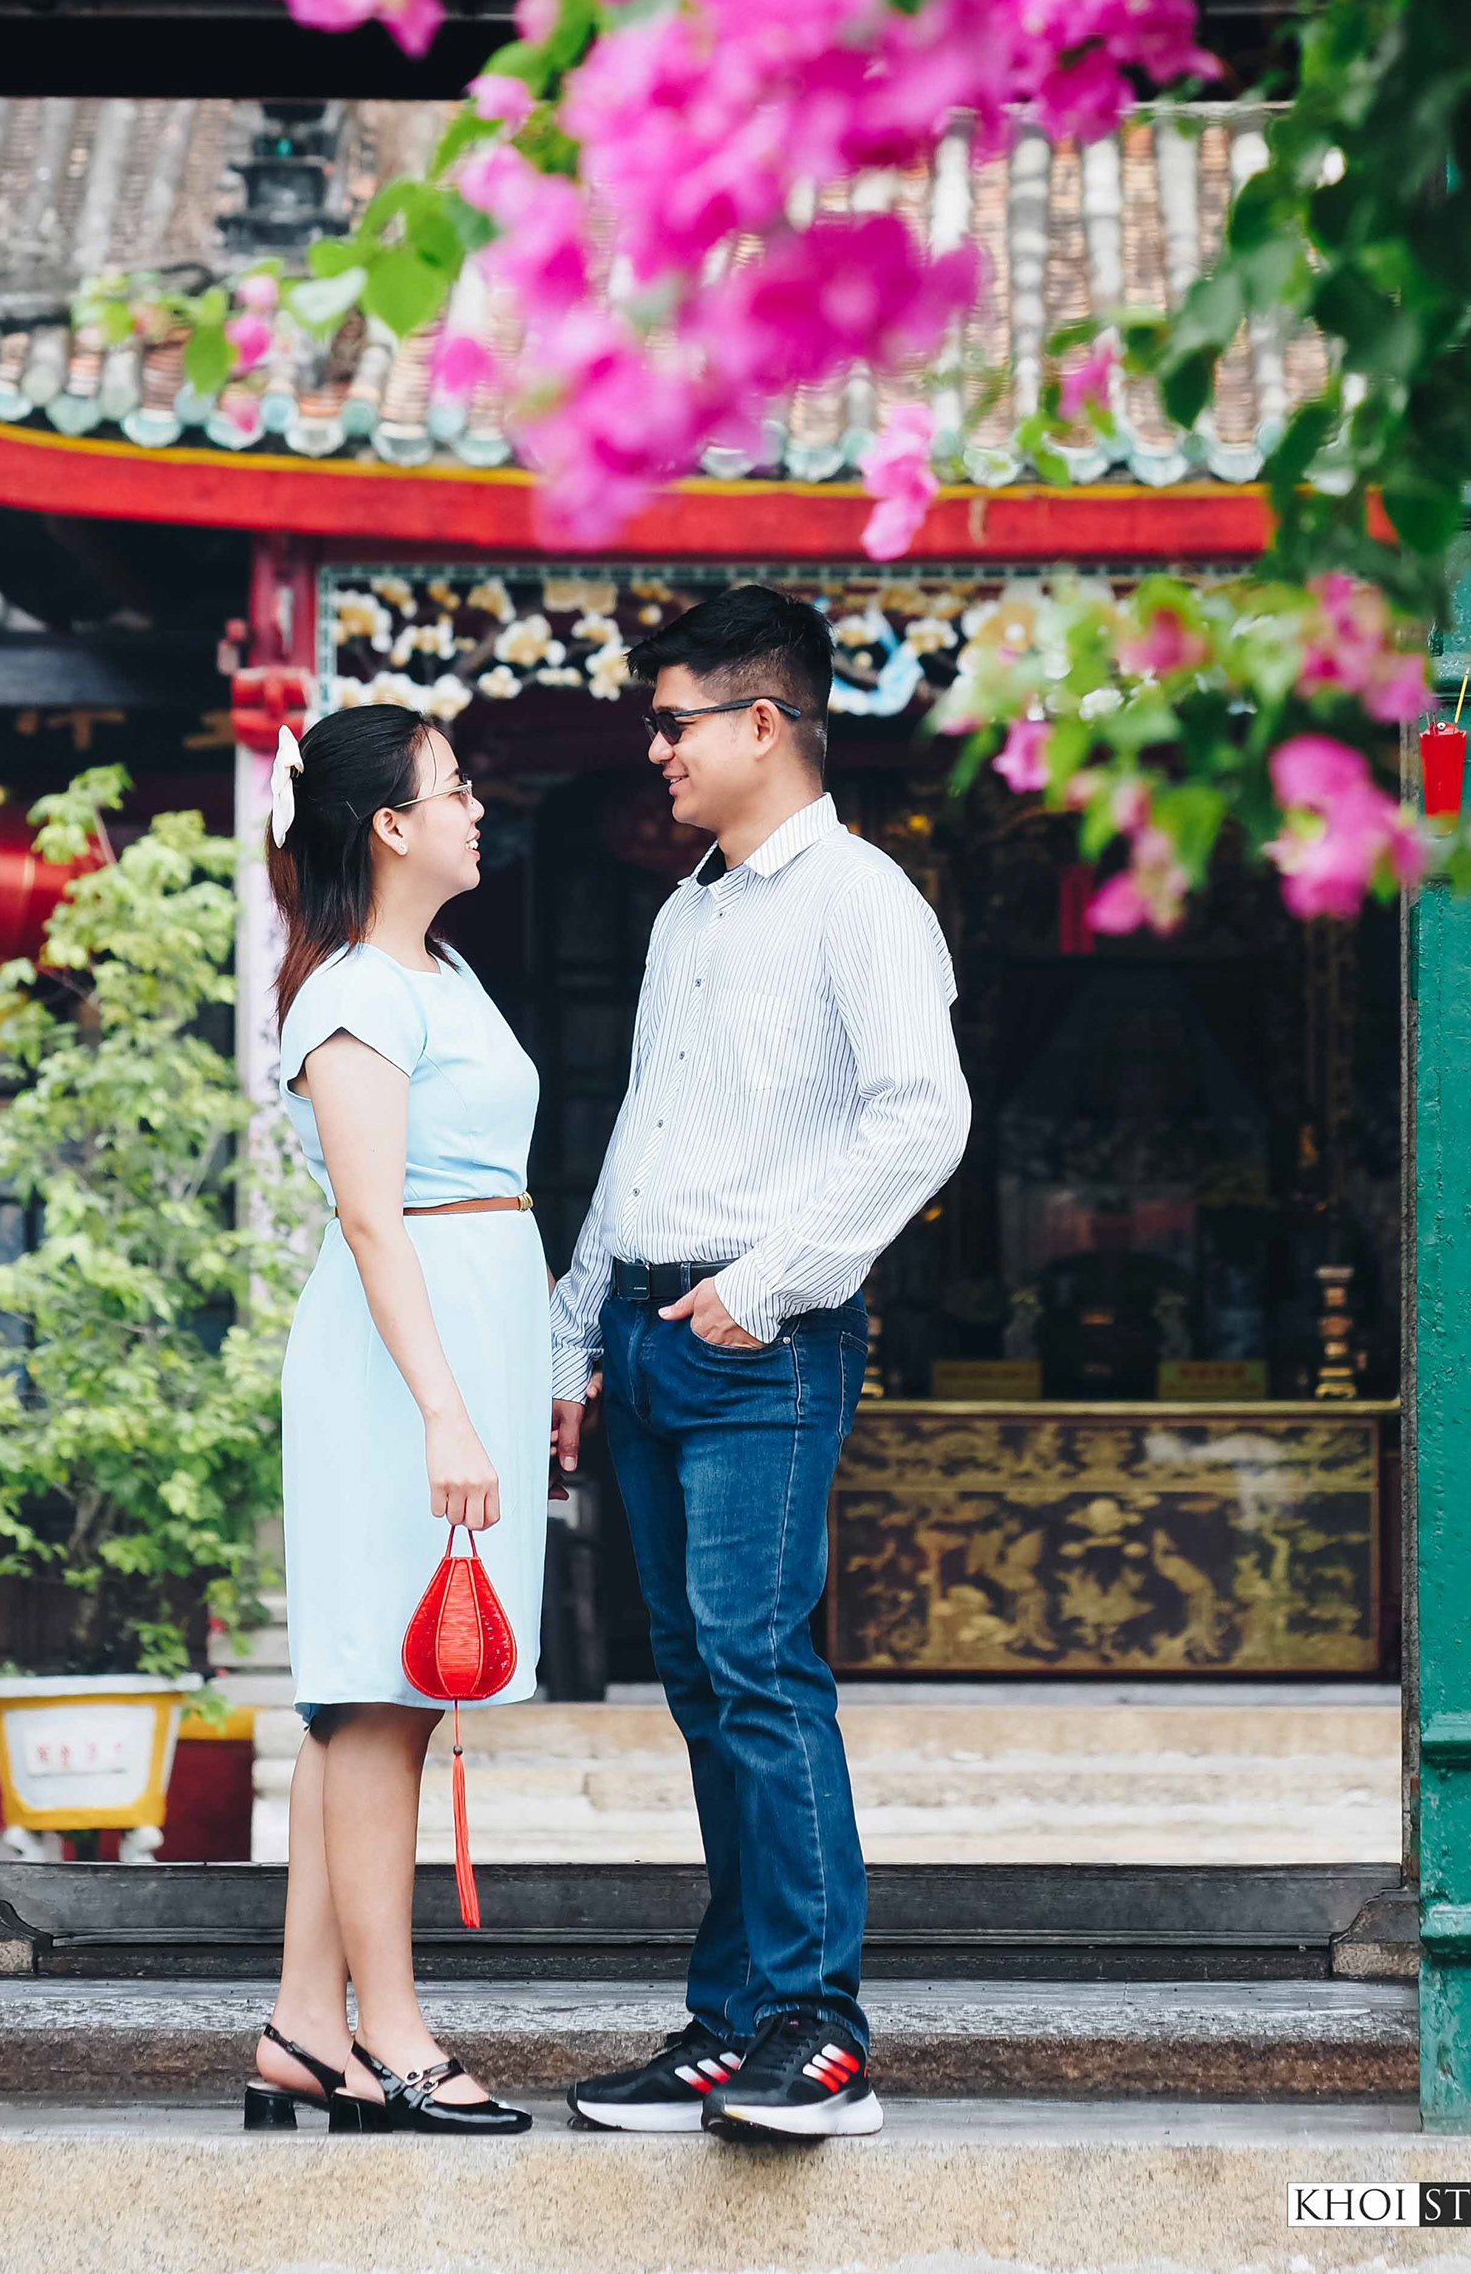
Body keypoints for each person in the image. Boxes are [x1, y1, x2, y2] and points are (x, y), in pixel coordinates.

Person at [553, 584, 971, 2139]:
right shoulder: (691, 911)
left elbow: (923, 1117)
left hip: (763, 1342)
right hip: (650, 1338)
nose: (653, 751)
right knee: (702, 1684)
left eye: (672, 723)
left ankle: (821, 2026)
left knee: (758, 1667)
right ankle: (731, 2027)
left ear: (763, 724)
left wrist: (769, 1285)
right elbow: (642, 1141)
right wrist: (570, 1332)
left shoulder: (861, 899)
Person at [246, 706, 543, 2137]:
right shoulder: (358, 989)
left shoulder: (448, 970)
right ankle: (399, 2035)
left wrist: (520, 1376)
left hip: (461, 1334)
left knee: (374, 1696)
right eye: (455, 787)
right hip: (394, 1358)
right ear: (388, 826)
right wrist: (444, 1409)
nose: (478, 808)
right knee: (382, 1697)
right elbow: (373, 1218)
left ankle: (306, 2030)